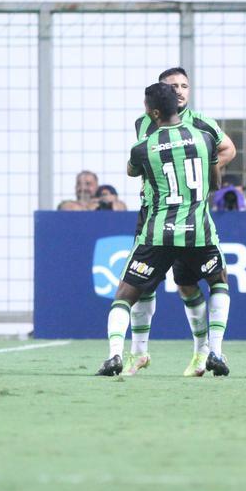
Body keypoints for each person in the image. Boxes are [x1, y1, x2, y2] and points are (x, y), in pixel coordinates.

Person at [96, 82, 231, 378]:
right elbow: (217, 183)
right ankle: (216, 351)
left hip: (158, 232)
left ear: (154, 112)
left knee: (124, 295)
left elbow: (133, 172)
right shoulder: (204, 137)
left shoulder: (143, 147)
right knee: (218, 282)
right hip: (198, 231)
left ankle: (115, 355)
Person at [130, 67, 237, 376]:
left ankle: (204, 352)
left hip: (190, 213)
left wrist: (200, 175)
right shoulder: (143, 123)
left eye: (184, 86)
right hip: (153, 211)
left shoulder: (202, 123)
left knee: (187, 285)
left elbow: (228, 148)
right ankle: (138, 352)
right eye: (172, 86)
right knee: (144, 285)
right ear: (160, 93)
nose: (179, 91)